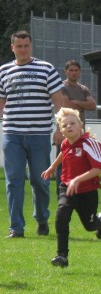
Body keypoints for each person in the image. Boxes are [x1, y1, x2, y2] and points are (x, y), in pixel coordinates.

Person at [0, 30, 64, 238]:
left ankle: (42, 219)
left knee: (40, 180)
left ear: (31, 46)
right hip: (12, 134)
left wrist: (60, 129)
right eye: (19, 46)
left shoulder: (46, 69)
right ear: (12, 47)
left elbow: (58, 101)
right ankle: (16, 227)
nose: (23, 49)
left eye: (26, 45)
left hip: (39, 134)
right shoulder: (4, 71)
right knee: (13, 181)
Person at [41, 108, 101, 268]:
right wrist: (52, 168)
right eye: (64, 125)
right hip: (67, 187)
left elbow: (98, 169)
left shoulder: (89, 144)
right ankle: (61, 255)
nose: (68, 126)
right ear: (62, 131)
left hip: (87, 192)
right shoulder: (65, 143)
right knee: (61, 215)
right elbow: (63, 153)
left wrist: (78, 179)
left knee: (89, 225)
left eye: (72, 123)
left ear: (80, 126)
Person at [54, 60, 97, 193]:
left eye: (76, 70)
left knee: (80, 162)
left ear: (80, 72)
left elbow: (93, 105)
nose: (73, 73)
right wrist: (83, 104)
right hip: (65, 131)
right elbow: (66, 103)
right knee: (62, 162)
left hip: (80, 132)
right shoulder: (61, 87)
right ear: (66, 71)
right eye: (71, 70)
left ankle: (77, 189)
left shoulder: (83, 88)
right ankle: (61, 190)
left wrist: (76, 102)